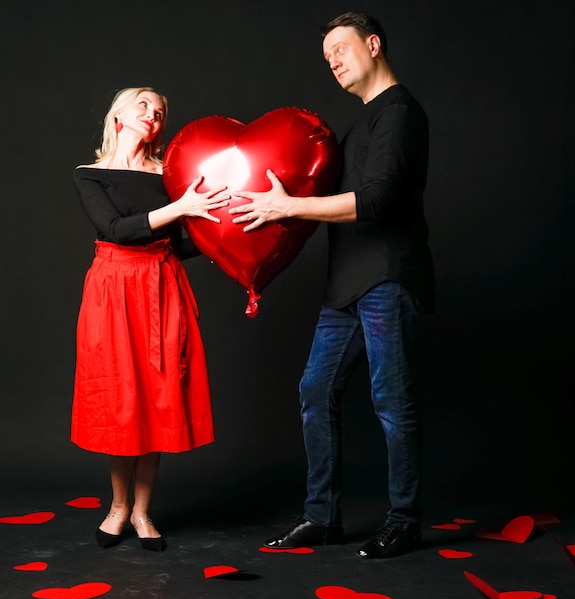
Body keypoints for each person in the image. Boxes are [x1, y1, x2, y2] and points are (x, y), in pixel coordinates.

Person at [231, 12, 434, 559]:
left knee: (392, 400)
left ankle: (404, 519)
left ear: (373, 45)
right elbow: (319, 195)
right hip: (345, 287)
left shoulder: (399, 113)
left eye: (340, 49)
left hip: (389, 276)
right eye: (327, 59)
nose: (334, 62)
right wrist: (270, 203)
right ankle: (322, 518)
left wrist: (290, 205)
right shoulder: (359, 124)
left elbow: (377, 201)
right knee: (315, 391)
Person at [71, 87, 229, 551]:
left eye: (160, 110)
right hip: (113, 290)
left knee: (159, 397)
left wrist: (221, 226)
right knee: (121, 398)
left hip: (162, 287)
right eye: (143, 103)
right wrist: (181, 209)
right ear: (117, 115)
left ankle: (142, 511)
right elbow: (117, 229)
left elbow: (179, 243)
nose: (153, 113)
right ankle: (118, 507)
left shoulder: (171, 174)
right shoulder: (90, 175)